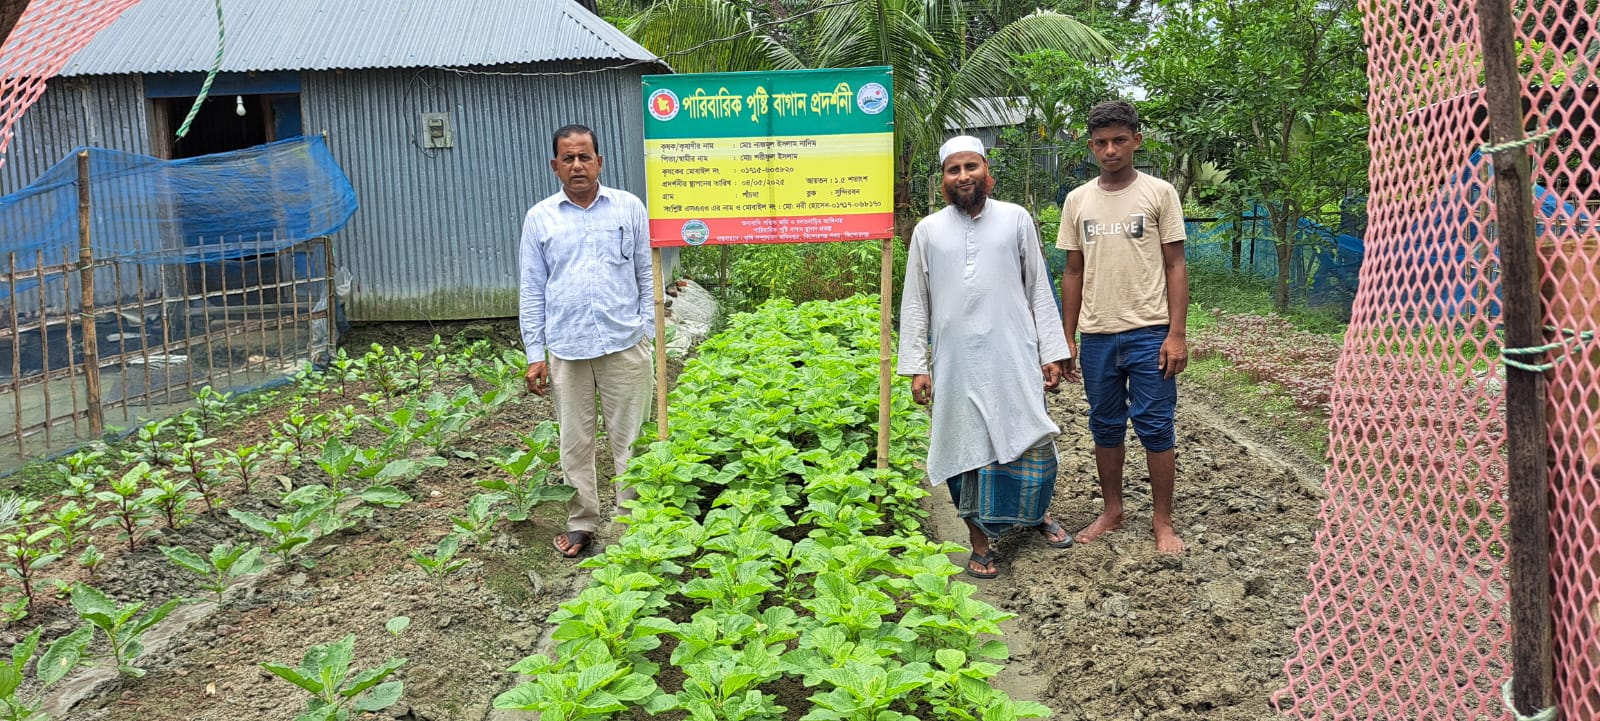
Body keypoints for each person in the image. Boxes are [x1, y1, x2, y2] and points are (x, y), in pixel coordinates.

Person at [897, 135, 1076, 579]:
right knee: (966, 452)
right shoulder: (928, 230)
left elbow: (1038, 285)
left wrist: (1051, 351)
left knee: (1032, 440)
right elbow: (915, 301)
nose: (963, 177)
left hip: (1014, 355)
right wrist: (919, 364)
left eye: (970, 167)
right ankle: (980, 542)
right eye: (953, 170)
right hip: (956, 363)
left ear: (986, 170)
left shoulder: (1016, 219)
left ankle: (1035, 517)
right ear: (942, 178)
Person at [1057, 100, 1190, 553]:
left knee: (1155, 425)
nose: (1110, 150)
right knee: (1105, 425)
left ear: (1136, 140)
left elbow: (1176, 264)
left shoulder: (1159, 193)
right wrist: (1067, 336)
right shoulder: (1078, 201)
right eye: (1101, 143)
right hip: (1097, 335)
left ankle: (1162, 520)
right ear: (1091, 147)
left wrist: (1177, 333)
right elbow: (1072, 272)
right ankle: (1113, 510)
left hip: (1150, 332)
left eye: (1119, 140)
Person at [519, 124, 654, 559]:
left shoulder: (629, 208)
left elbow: (647, 274)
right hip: (566, 348)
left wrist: (648, 331)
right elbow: (532, 288)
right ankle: (582, 522)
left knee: (631, 438)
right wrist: (534, 354)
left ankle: (634, 523)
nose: (577, 165)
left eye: (585, 157)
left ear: (600, 160)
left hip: (625, 343)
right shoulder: (541, 217)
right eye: (568, 158)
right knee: (575, 441)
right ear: (555, 165)